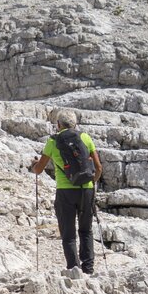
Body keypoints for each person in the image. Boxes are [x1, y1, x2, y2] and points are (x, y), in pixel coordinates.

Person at [29, 110, 103, 275]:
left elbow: (39, 169)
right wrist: (91, 183)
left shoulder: (53, 141)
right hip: (87, 190)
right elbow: (98, 168)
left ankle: (74, 269)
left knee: (68, 233)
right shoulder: (85, 137)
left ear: (58, 125)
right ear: (75, 124)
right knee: (86, 230)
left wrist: (34, 165)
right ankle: (88, 269)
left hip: (65, 191)